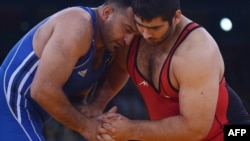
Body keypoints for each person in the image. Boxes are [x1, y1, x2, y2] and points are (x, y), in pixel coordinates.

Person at [92, 0, 250, 140]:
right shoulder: (132, 33)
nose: (146, 34)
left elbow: (194, 130)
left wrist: (131, 130)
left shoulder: (197, 52)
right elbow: (120, 67)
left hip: (231, 131)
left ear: (176, 17)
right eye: (141, 25)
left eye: (155, 27)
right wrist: (97, 105)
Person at [0, 0, 138, 140]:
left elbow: (121, 67)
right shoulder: (77, 25)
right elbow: (42, 91)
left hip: (31, 114)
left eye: (134, 33)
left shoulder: (110, 45)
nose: (128, 40)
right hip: (9, 101)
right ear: (107, 13)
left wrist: (94, 108)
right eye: (127, 29)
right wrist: (86, 126)